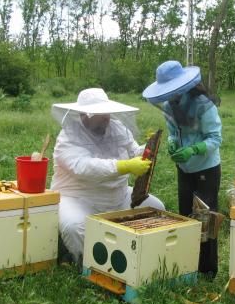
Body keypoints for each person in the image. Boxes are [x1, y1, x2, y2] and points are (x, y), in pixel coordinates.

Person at [50, 88, 165, 264]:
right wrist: (124, 166)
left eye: (107, 112)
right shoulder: (68, 138)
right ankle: (88, 264)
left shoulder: (116, 127)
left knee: (157, 208)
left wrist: (147, 148)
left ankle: (145, 254)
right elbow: (83, 167)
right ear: (84, 115)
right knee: (74, 226)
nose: (107, 117)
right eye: (101, 113)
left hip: (118, 195)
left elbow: (133, 150)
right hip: (79, 198)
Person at [142, 60, 222, 279]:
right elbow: (174, 132)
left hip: (206, 168)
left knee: (205, 218)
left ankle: (207, 270)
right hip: (184, 169)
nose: (169, 96)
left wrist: (193, 149)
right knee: (186, 215)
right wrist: (173, 143)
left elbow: (215, 138)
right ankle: (187, 265)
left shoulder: (203, 105)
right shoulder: (169, 106)